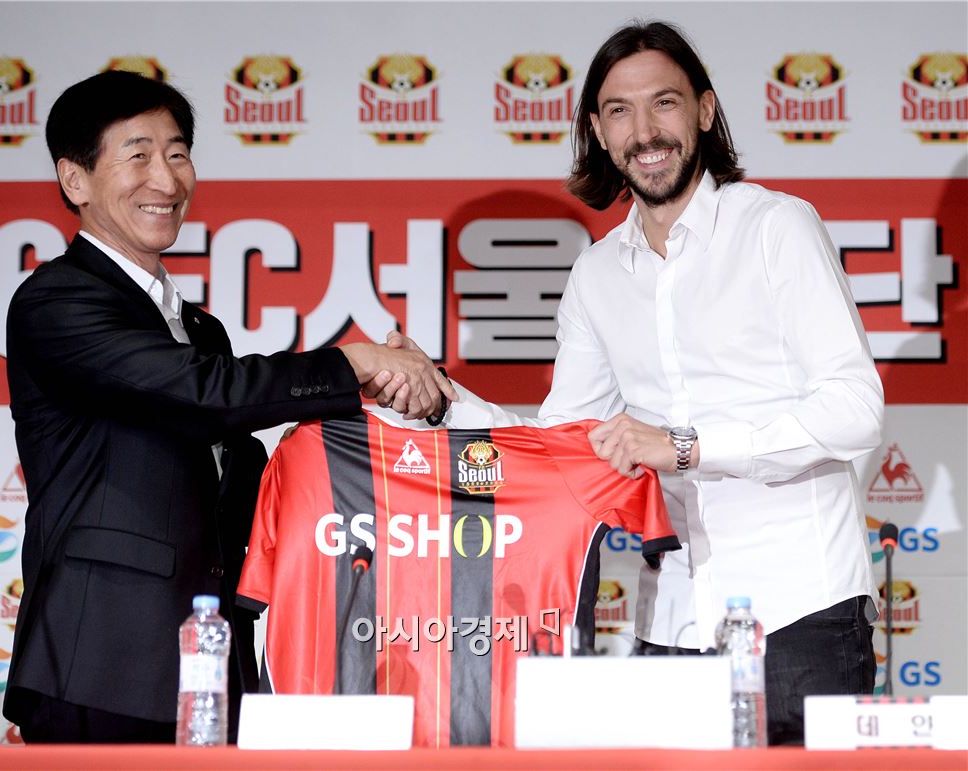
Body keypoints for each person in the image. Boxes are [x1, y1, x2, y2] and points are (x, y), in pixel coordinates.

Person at [378, 21, 883, 745]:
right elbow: (561, 444)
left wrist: (685, 446)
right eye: (620, 111)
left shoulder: (776, 227)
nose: (645, 132)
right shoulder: (596, 274)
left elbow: (855, 409)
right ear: (598, 130)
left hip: (800, 609)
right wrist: (440, 397)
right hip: (670, 617)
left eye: (664, 103)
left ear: (704, 110)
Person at [3, 69, 455, 744]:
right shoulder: (57, 301)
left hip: (210, 661)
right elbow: (204, 394)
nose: (166, 179)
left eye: (178, 154)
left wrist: (392, 415)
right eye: (138, 156)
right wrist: (354, 363)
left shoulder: (198, 328)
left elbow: (235, 457)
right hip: (100, 659)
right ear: (76, 180)